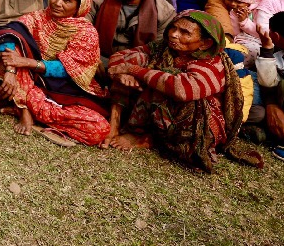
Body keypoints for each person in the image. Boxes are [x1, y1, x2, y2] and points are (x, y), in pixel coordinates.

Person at [107, 11, 263, 170]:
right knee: (143, 75)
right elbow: (122, 56)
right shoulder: (163, 47)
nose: (174, 34)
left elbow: (183, 89)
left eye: (185, 33)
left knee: (166, 81)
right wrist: (124, 73)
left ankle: (143, 135)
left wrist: (135, 71)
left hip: (196, 127)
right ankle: (118, 126)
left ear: (205, 43)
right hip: (167, 115)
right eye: (173, 28)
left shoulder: (212, 62)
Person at [0, 0, 111, 146]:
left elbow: (68, 70)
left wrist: (28, 62)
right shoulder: (37, 17)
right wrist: (11, 68)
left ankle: (23, 108)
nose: (57, 3)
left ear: (80, 5)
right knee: (13, 48)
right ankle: (25, 112)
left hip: (66, 89)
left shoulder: (87, 32)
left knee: (99, 129)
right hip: (31, 82)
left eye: (66, 0)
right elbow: (8, 33)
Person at [90, 0, 176, 66]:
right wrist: (92, 58)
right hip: (96, 57)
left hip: (137, 63)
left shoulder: (165, 13)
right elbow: (81, 32)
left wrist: (132, 70)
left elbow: (157, 50)